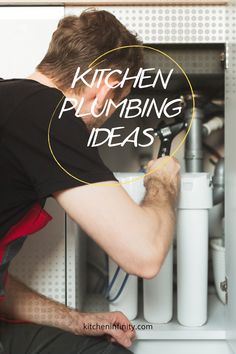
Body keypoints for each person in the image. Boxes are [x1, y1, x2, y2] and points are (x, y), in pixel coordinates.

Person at [0, 9, 180, 354]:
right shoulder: (48, 114)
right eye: (119, 102)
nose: (108, 116)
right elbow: (145, 255)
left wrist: (78, 320)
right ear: (106, 88)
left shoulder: (14, 104)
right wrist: (163, 182)